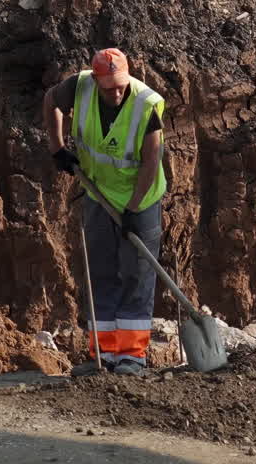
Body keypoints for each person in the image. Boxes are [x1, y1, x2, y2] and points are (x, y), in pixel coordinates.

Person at [43, 48, 167, 376]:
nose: (115, 92)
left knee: (137, 275)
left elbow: (151, 162)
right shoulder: (79, 86)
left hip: (139, 200)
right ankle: (105, 355)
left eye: (120, 86)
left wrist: (133, 208)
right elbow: (50, 101)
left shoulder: (146, 104)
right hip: (98, 196)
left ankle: (132, 357)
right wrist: (57, 148)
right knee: (100, 272)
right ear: (96, 80)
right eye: (108, 86)